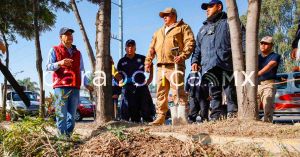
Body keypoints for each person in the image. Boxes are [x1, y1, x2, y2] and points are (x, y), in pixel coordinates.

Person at [191, 0, 244, 121]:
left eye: (210, 6)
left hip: (226, 63)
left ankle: (233, 115)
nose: (207, 10)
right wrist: (195, 61)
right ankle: (215, 117)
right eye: (206, 8)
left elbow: (243, 38)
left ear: (219, 7)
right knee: (214, 92)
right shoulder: (202, 29)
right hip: (209, 66)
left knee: (230, 90)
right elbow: (197, 48)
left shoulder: (230, 22)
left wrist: (243, 57)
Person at [145, 7, 195, 125]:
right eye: (163, 16)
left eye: (166, 15)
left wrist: (183, 55)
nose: (164, 17)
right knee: (161, 93)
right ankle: (160, 117)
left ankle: (181, 117)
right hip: (161, 69)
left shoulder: (183, 27)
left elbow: (190, 42)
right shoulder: (158, 32)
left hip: (175, 67)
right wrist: (148, 62)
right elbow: (151, 49)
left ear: (174, 15)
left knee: (178, 91)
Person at [46, 27, 92, 136]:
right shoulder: (54, 49)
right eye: (66, 34)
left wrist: (86, 83)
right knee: (61, 114)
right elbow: (48, 67)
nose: (70, 36)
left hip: (75, 87)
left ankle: (68, 137)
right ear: (60, 37)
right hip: (60, 87)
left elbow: (82, 69)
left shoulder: (78, 53)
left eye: (71, 34)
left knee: (72, 116)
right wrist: (60, 63)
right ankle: (61, 140)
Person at [117, 39, 155, 123]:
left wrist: (150, 78)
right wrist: (120, 81)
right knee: (129, 109)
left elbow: (151, 64)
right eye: (128, 46)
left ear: (135, 48)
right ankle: (132, 124)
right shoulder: (121, 61)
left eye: (132, 46)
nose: (130, 48)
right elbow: (118, 75)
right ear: (125, 48)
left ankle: (148, 123)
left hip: (141, 87)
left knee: (145, 107)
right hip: (128, 87)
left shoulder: (142, 58)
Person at [257, 36, 281, 123]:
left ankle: (267, 124)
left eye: (266, 43)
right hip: (256, 85)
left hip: (268, 85)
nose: (263, 45)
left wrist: (257, 74)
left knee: (268, 108)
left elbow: (270, 65)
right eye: (262, 43)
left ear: (271, 45)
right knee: (253, 107)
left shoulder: (275, 56)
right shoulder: (256, 57)